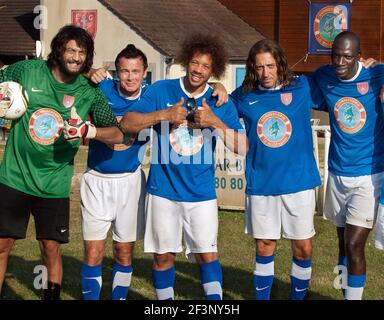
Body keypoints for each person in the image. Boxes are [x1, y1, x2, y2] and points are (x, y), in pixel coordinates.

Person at [119, 33, 248, 300]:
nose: (198, 70)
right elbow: (127, 123)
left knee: (207, 256)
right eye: (195, 63)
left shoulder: (219, 100)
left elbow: (243, 147)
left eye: (206, 66)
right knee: (163, 257)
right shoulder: (161, 90)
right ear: (186, 61)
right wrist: (163, 115)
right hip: (162, 190)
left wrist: (214, 122)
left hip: (200, 193)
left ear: (214, 71)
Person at [0, 25, 124, 300]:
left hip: (53, 184)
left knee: (51, 248)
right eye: (70, 50)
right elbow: (2, 78)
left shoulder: (89, 92)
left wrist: (87, 131)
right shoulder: (28, 71)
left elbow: (117, 133)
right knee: (2, 244)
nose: (76, 57)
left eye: (82, 52)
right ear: (59, 50)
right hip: (14, 177)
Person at [231, 39, 323, 300]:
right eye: (259, 67)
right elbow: (218, 104)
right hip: (262, 185)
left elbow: (332, 80)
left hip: (299, 183)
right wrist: (217, 87)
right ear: (252, 68)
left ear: (279, 65)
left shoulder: (302, 87)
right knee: (264, 247)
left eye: (270, 66)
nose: (265, 73)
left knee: (303, 248)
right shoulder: (244, 95)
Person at [313, 31, 384, 300]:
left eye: (347, 56)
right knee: (343, 244)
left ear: (359, 56)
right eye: (336, 56)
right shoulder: (324, 75)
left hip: (368, 176)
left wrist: (378, 64)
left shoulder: (376, 75)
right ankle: (345, 294)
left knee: (355, 244)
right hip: (337, 173)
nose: (340, 62)